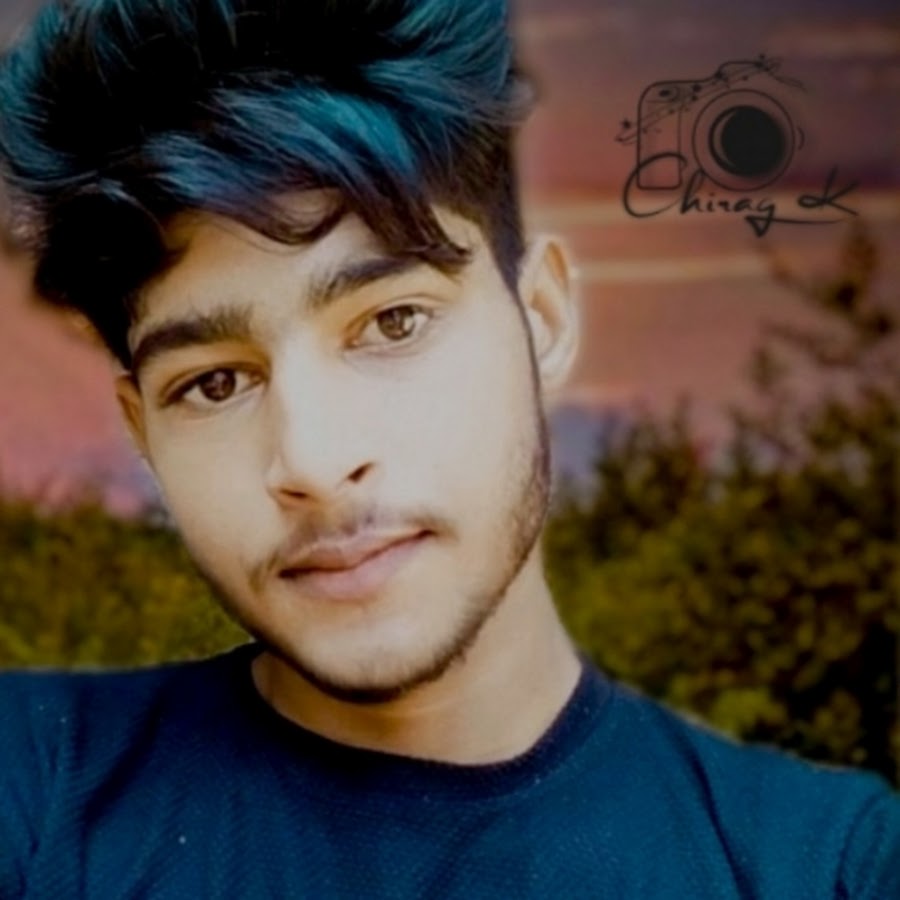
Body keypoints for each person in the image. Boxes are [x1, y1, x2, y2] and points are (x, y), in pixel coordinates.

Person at [0, 1, 898, 897]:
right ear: (142, 430)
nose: (313, 462)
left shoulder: (828, 866)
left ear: (541, 320)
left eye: (393, 322)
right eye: (214, 383)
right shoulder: (38, 789)